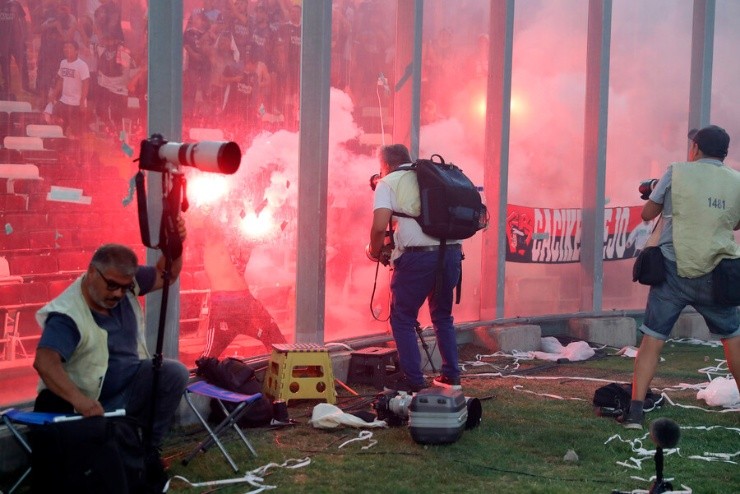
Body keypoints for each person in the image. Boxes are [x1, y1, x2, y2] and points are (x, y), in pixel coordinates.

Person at [32, 217, 189, 465]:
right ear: (92, 272)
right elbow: (44, 362)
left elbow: (166, 275)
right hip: (93, 403)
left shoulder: (127, 282)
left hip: (131, 384)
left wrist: (175, 246)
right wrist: (81, 402)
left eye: (124, 288)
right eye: (112, 285)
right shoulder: (68, 315)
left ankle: (147, 450)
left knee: (174, 373)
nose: (118, 293)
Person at [623, 125, 740, 429]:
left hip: (673, 272)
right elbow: (735, 223)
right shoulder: (737, 181)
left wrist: (660, 194)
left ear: (695, 148)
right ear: (724, 153)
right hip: (718, 274)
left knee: (653, 338)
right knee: (732, 337)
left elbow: (648, 214)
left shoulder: (676, 172)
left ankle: (635, 411)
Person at [367, 143, 463, 392]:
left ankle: (414, 379)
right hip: (451, 254)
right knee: (442, 315)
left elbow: (379, 227)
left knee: (403, 318)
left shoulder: (388, 182)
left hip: (417, 259)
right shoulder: (433, 178)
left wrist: (375, 251)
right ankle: (451, 376)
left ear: (386, 165)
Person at [49, 40, 89, 137]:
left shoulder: (82, 65)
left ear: (76, 51)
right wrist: (53, 94)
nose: (66, 49)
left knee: (76, 132)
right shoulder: (63, 63)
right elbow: (61, 80)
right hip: (64, 101)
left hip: (76, 103)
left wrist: (82, 101)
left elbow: (86, 84)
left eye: (70, 47)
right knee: (59, 126)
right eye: (65, 47)